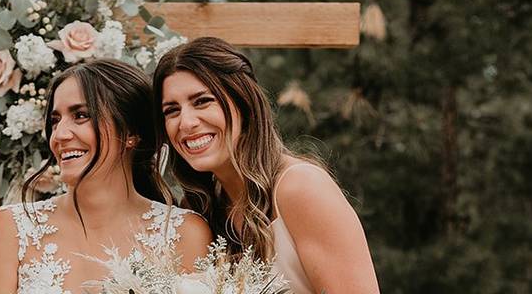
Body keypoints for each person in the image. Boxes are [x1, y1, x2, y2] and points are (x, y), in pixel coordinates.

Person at [153, 37, 380, 294]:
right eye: (171, 110)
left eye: (202, 101)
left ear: (243, 102)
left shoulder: (301, 187)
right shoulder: (197, 209)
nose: (185, 123)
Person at [0, 58, 213, 293]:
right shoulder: (11, 228)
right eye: (55, 120)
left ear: (131, 132)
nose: (59, 134)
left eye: (81, 115)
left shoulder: (184, 233)